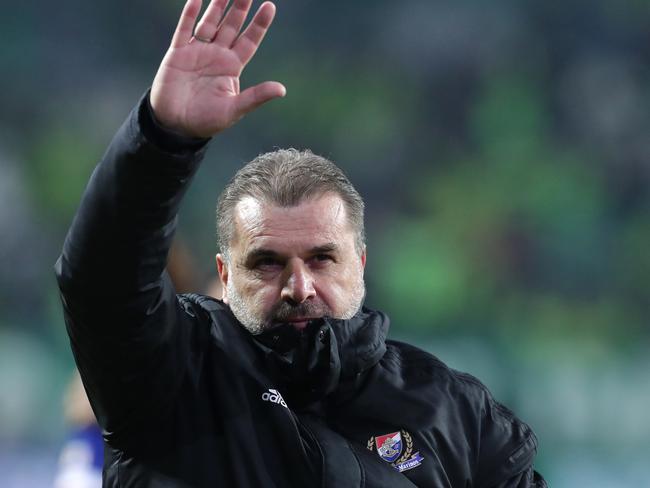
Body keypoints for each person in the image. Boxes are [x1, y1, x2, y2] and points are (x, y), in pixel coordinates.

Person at [55, 0, 547, 486]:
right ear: (225, 275)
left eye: (321, 259)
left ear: (360, 263)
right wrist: (162, 140)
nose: (299, 286)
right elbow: (102, 281)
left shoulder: (456, 415)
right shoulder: (172, 376)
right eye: (267, 263)